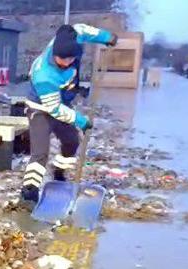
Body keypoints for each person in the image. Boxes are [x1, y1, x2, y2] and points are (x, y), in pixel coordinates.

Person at [20, 24, 117, 203]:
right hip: (40, 109)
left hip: (62, 101)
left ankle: (59, 172)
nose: (66, 63)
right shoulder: (44, 75)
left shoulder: (72, 38)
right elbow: (54, 109)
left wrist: (106, 37)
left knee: (72, 141)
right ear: (54, 53)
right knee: (40, 152)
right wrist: (80, 120)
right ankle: (29, 191)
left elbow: (84, 30)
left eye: (70, 59)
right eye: (61, 59)